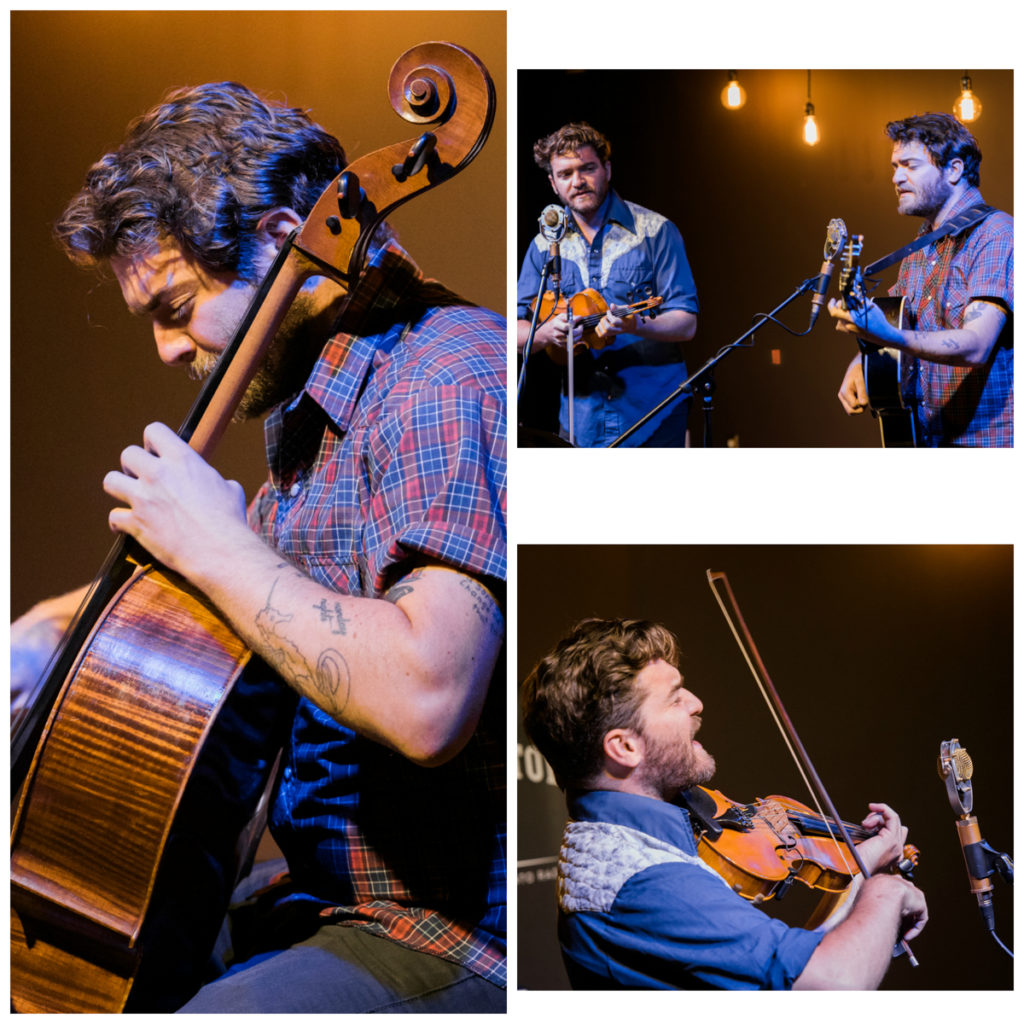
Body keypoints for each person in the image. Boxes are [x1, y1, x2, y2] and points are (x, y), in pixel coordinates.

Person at [11, 81, 506, 1012]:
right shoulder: (315, 419)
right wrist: (48, 630)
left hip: (444, 932)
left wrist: (219, 548)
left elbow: (429, 694)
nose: (164, 350)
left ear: (284, 236)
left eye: (176, 304)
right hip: (320, 902)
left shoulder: (447, 373)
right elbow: (262, 607)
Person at [521, 618, 928, 990]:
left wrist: (861, 866)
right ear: (625, 746)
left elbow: (787, 966)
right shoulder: (647, 883)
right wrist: (887, 893)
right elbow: (832, 984)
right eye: (675, 698)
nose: (696, 703)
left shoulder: (614, 840)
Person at [830, 112, 1013, 446]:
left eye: (910, 165)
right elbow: (898, 323)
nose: (896, 177)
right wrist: (864, 359)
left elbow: (976, 345)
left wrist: (888, 335)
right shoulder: (920, 250)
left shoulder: (996, 233)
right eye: (894, 167)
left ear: (954, 169)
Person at [516, 123, 699, 447]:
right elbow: (516, 331)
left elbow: (686, 323)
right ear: (553, 183)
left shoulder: (656, 231)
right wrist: (547, 334)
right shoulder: (543, 245)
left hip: (653, 412)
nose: (578, 181)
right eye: (566, 174)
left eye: (587, 168)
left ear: (607, 169)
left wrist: (636, 323)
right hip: (580, 420)